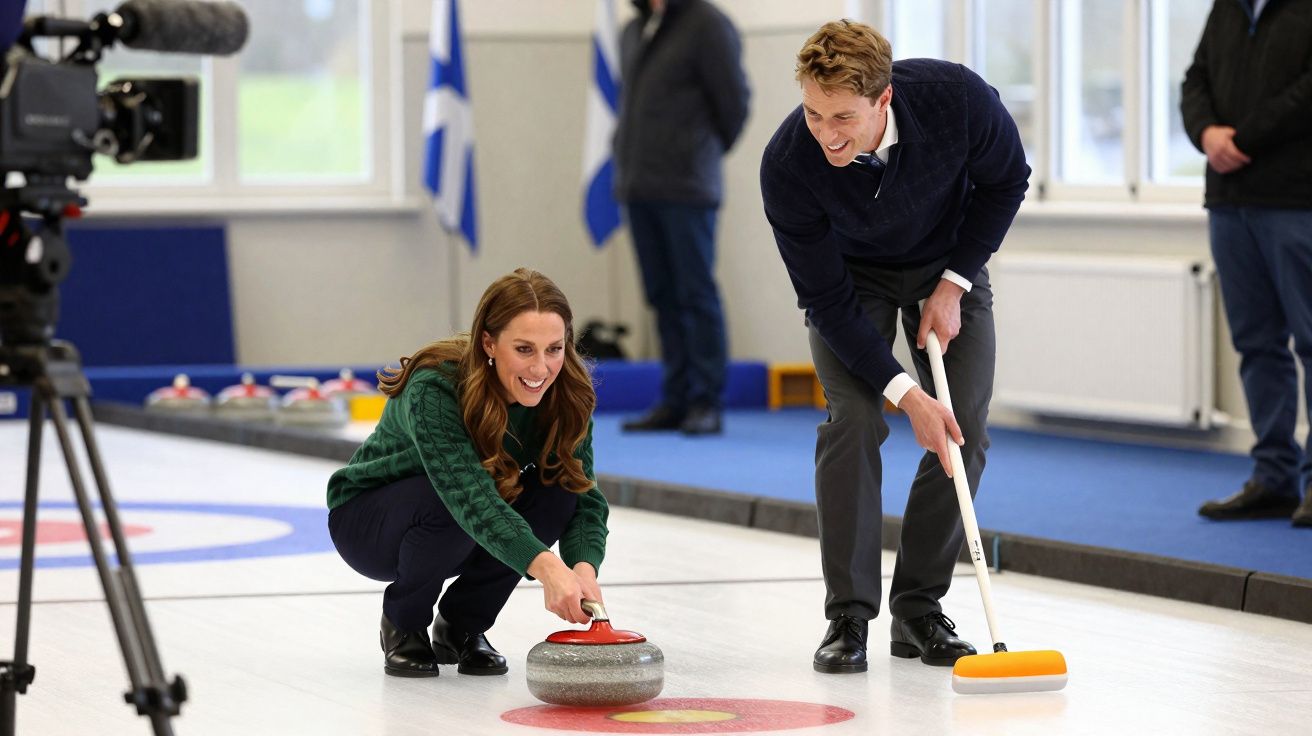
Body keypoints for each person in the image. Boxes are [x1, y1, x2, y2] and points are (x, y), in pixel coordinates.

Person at [759, 20, 1029, 673]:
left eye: (843, 118)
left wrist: (955, 282)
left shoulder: (955, 99)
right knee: (853, 418)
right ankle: (849, 615)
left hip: (946, 263)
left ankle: (918, 609)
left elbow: (1007, 180)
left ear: (884, 98)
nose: (826, 133)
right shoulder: (789, 163)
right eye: (813, 113)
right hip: (852, 282)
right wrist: (907, 396)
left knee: (963, 427)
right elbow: (826, 302)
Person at [326, 268, 610, 677]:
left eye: (554, 349)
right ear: (489, 343)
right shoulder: (436, 385)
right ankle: (404, 623)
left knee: (557, 492)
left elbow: (583, 494)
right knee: (446, 499)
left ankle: (461, 627)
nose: (541, 369)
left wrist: (583, 568)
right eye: (524, 349)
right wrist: (548, 568)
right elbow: (466, 495)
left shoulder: (568, 391)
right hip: (370, 524)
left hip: (459, 522)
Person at [1182, 0, 1312, 528]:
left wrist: (1242, 138)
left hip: (1297, 199)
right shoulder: (1228, 7)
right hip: (1230, 201)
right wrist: (1206, 134)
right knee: (1257, 345)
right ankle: (1275, 478)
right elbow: (1195, 80)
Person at [613, 0, 750, 436]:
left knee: (695, 293)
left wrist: (694, 154)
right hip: (639, 185)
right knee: (661, 296)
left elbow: (735, 106)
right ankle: (675, 398)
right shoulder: (634, 29)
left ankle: (706, 400)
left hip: (687, 187)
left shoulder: (707, 25)